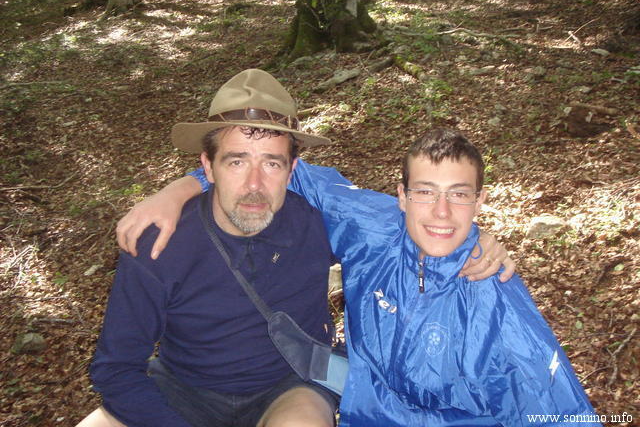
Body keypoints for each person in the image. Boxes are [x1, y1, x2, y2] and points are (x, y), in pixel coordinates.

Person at [77, 69, 509, 427]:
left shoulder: (317, 222)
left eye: (271, 163)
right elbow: (116, 368)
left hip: (290, 384)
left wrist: (474, 238)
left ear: (293, 169)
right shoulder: (160, 240)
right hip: (183, 388)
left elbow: (406, 227)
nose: (254, 184)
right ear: (208, 166)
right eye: (236, 161)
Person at [119, 127, 601, 425]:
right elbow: (274, 169)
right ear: (401, 196)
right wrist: (180, 189)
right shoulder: (372, 228)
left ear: (479, 201)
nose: (440, 212)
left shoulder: (494, 296)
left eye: (458, 195)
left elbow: (559, 412)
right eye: (425, 192)